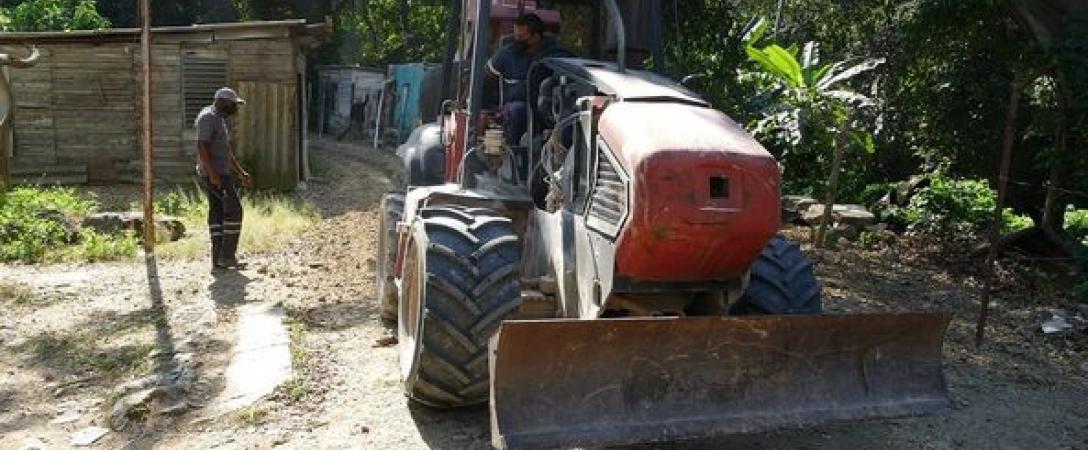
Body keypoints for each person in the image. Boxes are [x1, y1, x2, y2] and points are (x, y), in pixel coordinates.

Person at [195, 87, 252, 270]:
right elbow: (202, 146)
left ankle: (219, 259)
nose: (235, 108)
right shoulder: (208, 117)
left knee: (219, 212)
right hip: (214, 175)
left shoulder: (219, 119)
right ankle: (227, 256)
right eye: (233, 104)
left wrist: (240, 172)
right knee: (234, 210)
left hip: (221, 173)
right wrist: (212, 174)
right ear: (222, 102)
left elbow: (225, 153)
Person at [487, 13, 559, 145]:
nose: (516, 40)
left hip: (547, 108)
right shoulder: (507, 54)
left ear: (536, 37)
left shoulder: (553, 55)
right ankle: (514, 152)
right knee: (518, 110)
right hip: (516, 109)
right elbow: (486, 76)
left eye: (520, 37)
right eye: (515, 35)